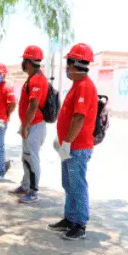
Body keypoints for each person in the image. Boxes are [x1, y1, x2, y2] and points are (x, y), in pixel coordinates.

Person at [48, 44, 99, 241]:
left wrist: (67, 142)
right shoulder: (77, 85)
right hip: (70, 145)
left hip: (77, 147)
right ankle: (70, 219)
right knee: (68, 184)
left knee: (77, 185)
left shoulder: (84, 86)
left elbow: (79, 117)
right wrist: (62, 140)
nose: (67, 68)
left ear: (75, 64)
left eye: (68, 64)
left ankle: (80, 224)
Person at [15, 45, 49, 203]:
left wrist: (26, 126)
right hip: (30, 124)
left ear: (27, 62)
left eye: (24, 60)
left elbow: (33, 105)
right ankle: (25, 185)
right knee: (26, 157)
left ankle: (33, 192)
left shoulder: (37, 79)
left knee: (32, 158)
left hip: (34, 125)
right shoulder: (33, 77)